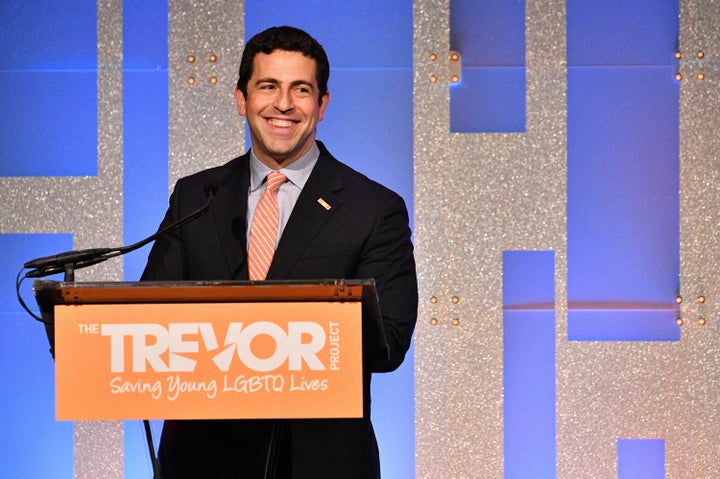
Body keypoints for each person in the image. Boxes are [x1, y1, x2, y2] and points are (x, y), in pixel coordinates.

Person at [141, 26, 418, 478]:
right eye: (267, 86)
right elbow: (150, 316)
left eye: (301, 90)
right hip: (201, 459)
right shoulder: (196, 196)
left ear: (322, 105)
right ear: (241, 99)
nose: (283, 104)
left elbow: (388, 342)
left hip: (319, 461)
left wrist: (266, 341)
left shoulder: (372, 208)